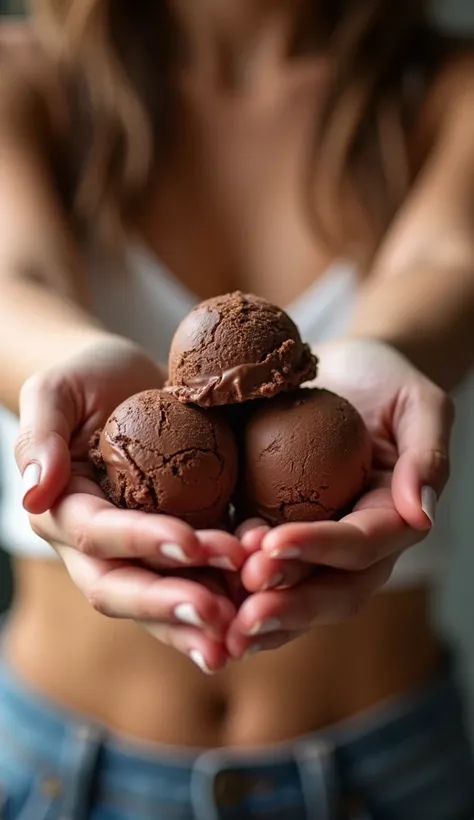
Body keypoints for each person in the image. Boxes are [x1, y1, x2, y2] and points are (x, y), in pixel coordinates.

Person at [0, 2, 473, 818]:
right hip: (54, 770)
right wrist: (68, 367)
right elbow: (17, 273)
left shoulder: (447, 92)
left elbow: (444, 260)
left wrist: (386, 351)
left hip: (382, 776)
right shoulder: (26, 78)